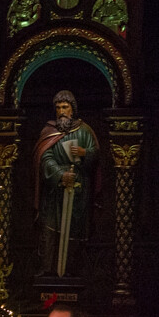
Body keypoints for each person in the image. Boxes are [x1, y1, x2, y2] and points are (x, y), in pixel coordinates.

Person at [34, 89, 101, 277]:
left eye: (65, 107)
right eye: (58, 108)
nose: (61, 111)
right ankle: (47, 269)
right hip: (54, 189)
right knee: (48, 227)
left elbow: (95, 156)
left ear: (73, 109)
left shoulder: (85, 131)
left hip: (78, 188)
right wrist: (59, 174)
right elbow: (44, 157)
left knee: (74, 228)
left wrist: (84, 153)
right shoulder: (48, 131)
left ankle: (72, 270)